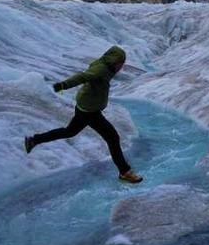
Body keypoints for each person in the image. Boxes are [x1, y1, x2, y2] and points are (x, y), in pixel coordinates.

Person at [24, 45, 143, 184]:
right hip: (90, 111)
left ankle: (34, 140)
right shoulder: (101, 69)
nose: (121, 67)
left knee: (69, 131)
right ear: (114, 61)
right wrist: (62, 85)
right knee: (113, 138)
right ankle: (124, 172)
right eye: (120, 64)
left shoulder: (106, 66)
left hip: (86, 107)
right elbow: (83, 76)